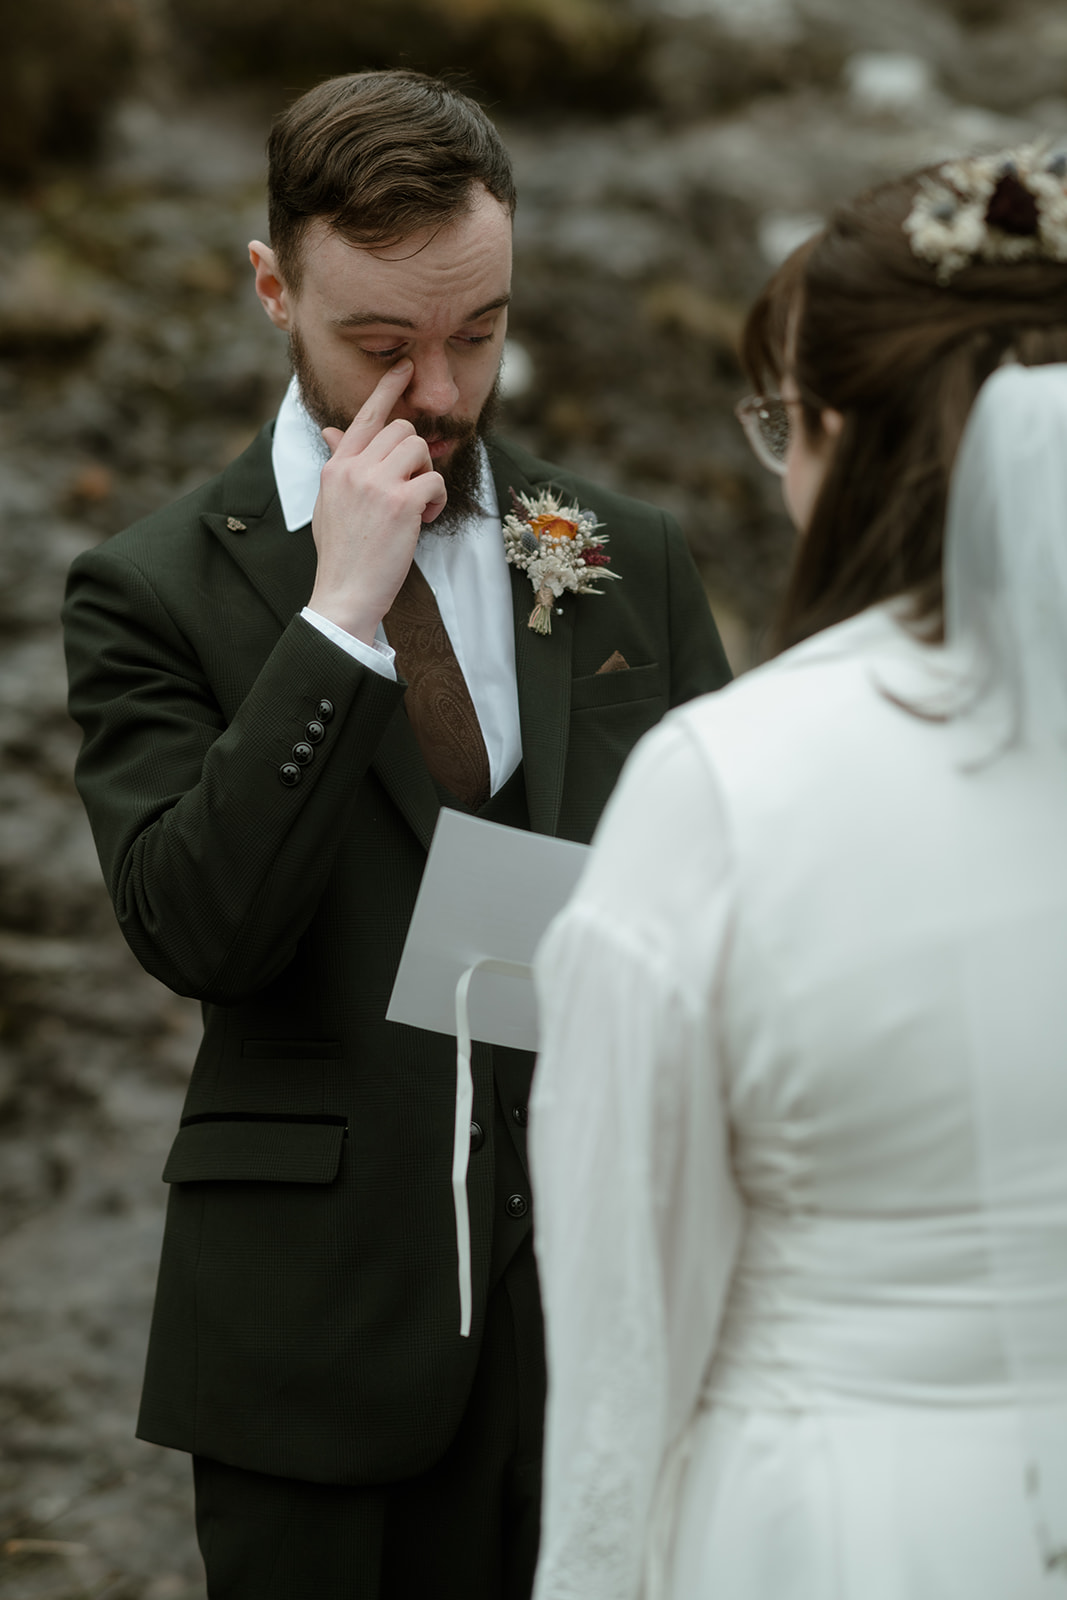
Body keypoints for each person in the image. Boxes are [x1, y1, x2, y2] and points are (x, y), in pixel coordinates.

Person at [60, 68, 730, 1600]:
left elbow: (731, 891)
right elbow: (193, 928)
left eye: (479, 334)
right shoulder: (149, 587)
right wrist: (340, 622)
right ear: (271, 285)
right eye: (382, 344)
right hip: (317, 1343)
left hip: (606, 1330)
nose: (439, 390)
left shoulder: (632, 554)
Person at [529, 143, 1067, 1600]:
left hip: (833, 1525)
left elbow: (624, 1325)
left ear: (835, 428)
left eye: (783, 429)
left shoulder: (728, 786)